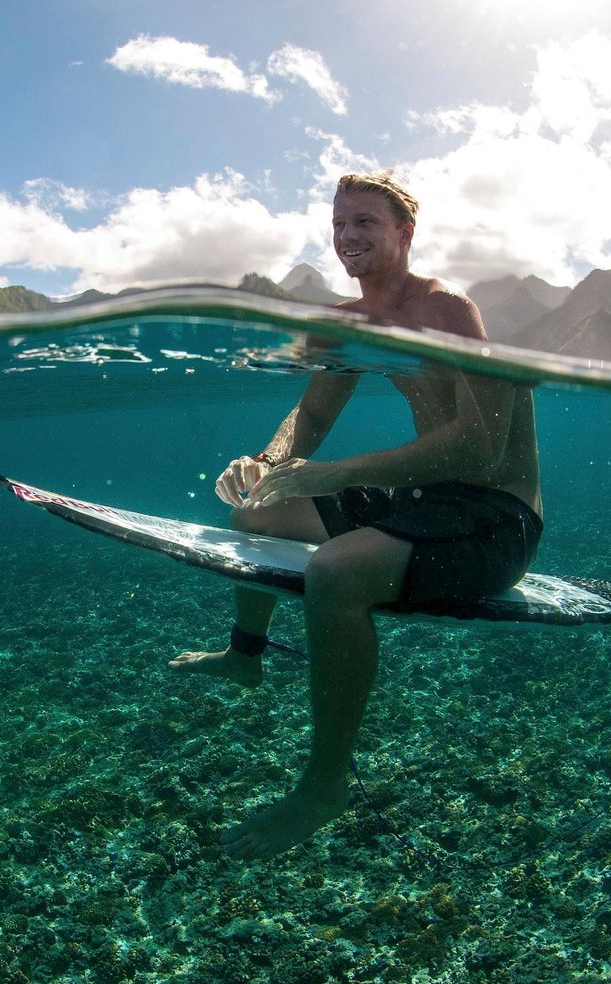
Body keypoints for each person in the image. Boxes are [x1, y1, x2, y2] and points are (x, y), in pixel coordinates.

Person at [169, 172, 543, 860]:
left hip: (497, 518)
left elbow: (480, 449)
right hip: (430, 500)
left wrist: (339, 472)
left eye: (365, 223)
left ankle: (323, 787)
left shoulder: (445, 311)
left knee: (336, 573)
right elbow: (310, 414)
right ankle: (244, 655)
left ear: (405, 233)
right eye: (339, 224)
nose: (348, 237)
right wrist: (267, 462)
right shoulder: (344, 325)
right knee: (254, 517)